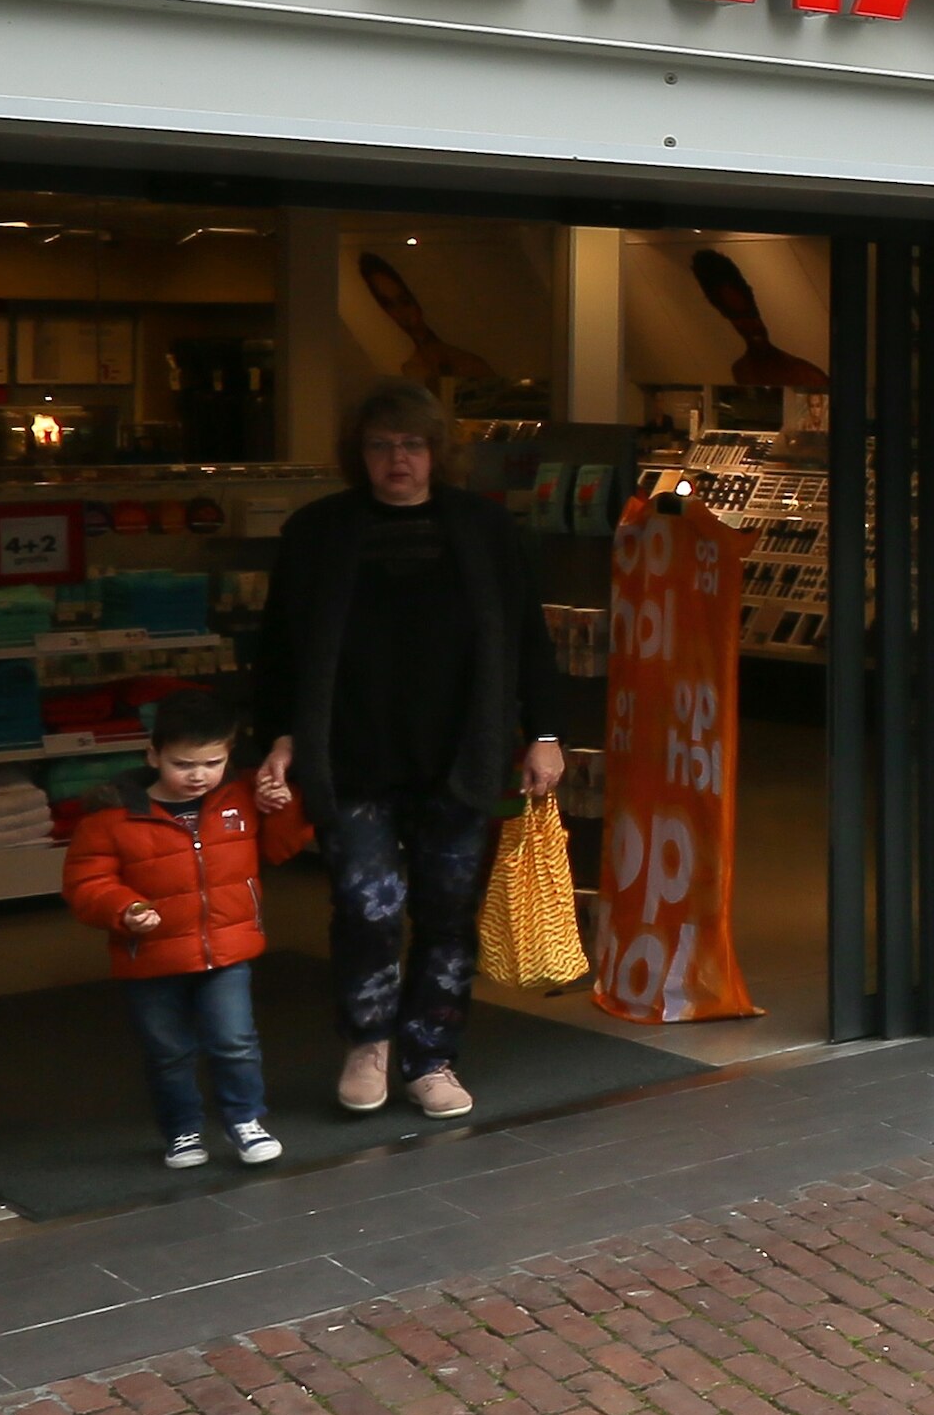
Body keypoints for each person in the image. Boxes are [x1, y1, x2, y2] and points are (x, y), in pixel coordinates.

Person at [257, 381, 573, 1122]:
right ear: (356, 454)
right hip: (351, 752)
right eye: (379, 444)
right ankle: (368, 1040)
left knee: (446, 912)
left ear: (437, 451)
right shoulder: (317, 531)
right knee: (368, 906)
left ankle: (430, 1057)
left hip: (460, 753)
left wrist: (548, 733)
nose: (396, 459)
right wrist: (275, 735)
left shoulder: (486, 529)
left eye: (411, 443)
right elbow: (277, 646)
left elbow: (529, 636)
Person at [67, 687, 308, 1171]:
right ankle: (182, 1131)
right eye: (182, 764)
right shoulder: (110, 815)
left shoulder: (241, 796)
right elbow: (85, 882)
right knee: (168, 1052)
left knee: (234, 1041)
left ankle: (245, 1119)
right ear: (152, 754)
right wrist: (125, 907)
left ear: (229, 755)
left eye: (213, 762)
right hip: (149, 959)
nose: (198, 776)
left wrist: (282, 805)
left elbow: (281, 850)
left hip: (227, 950)